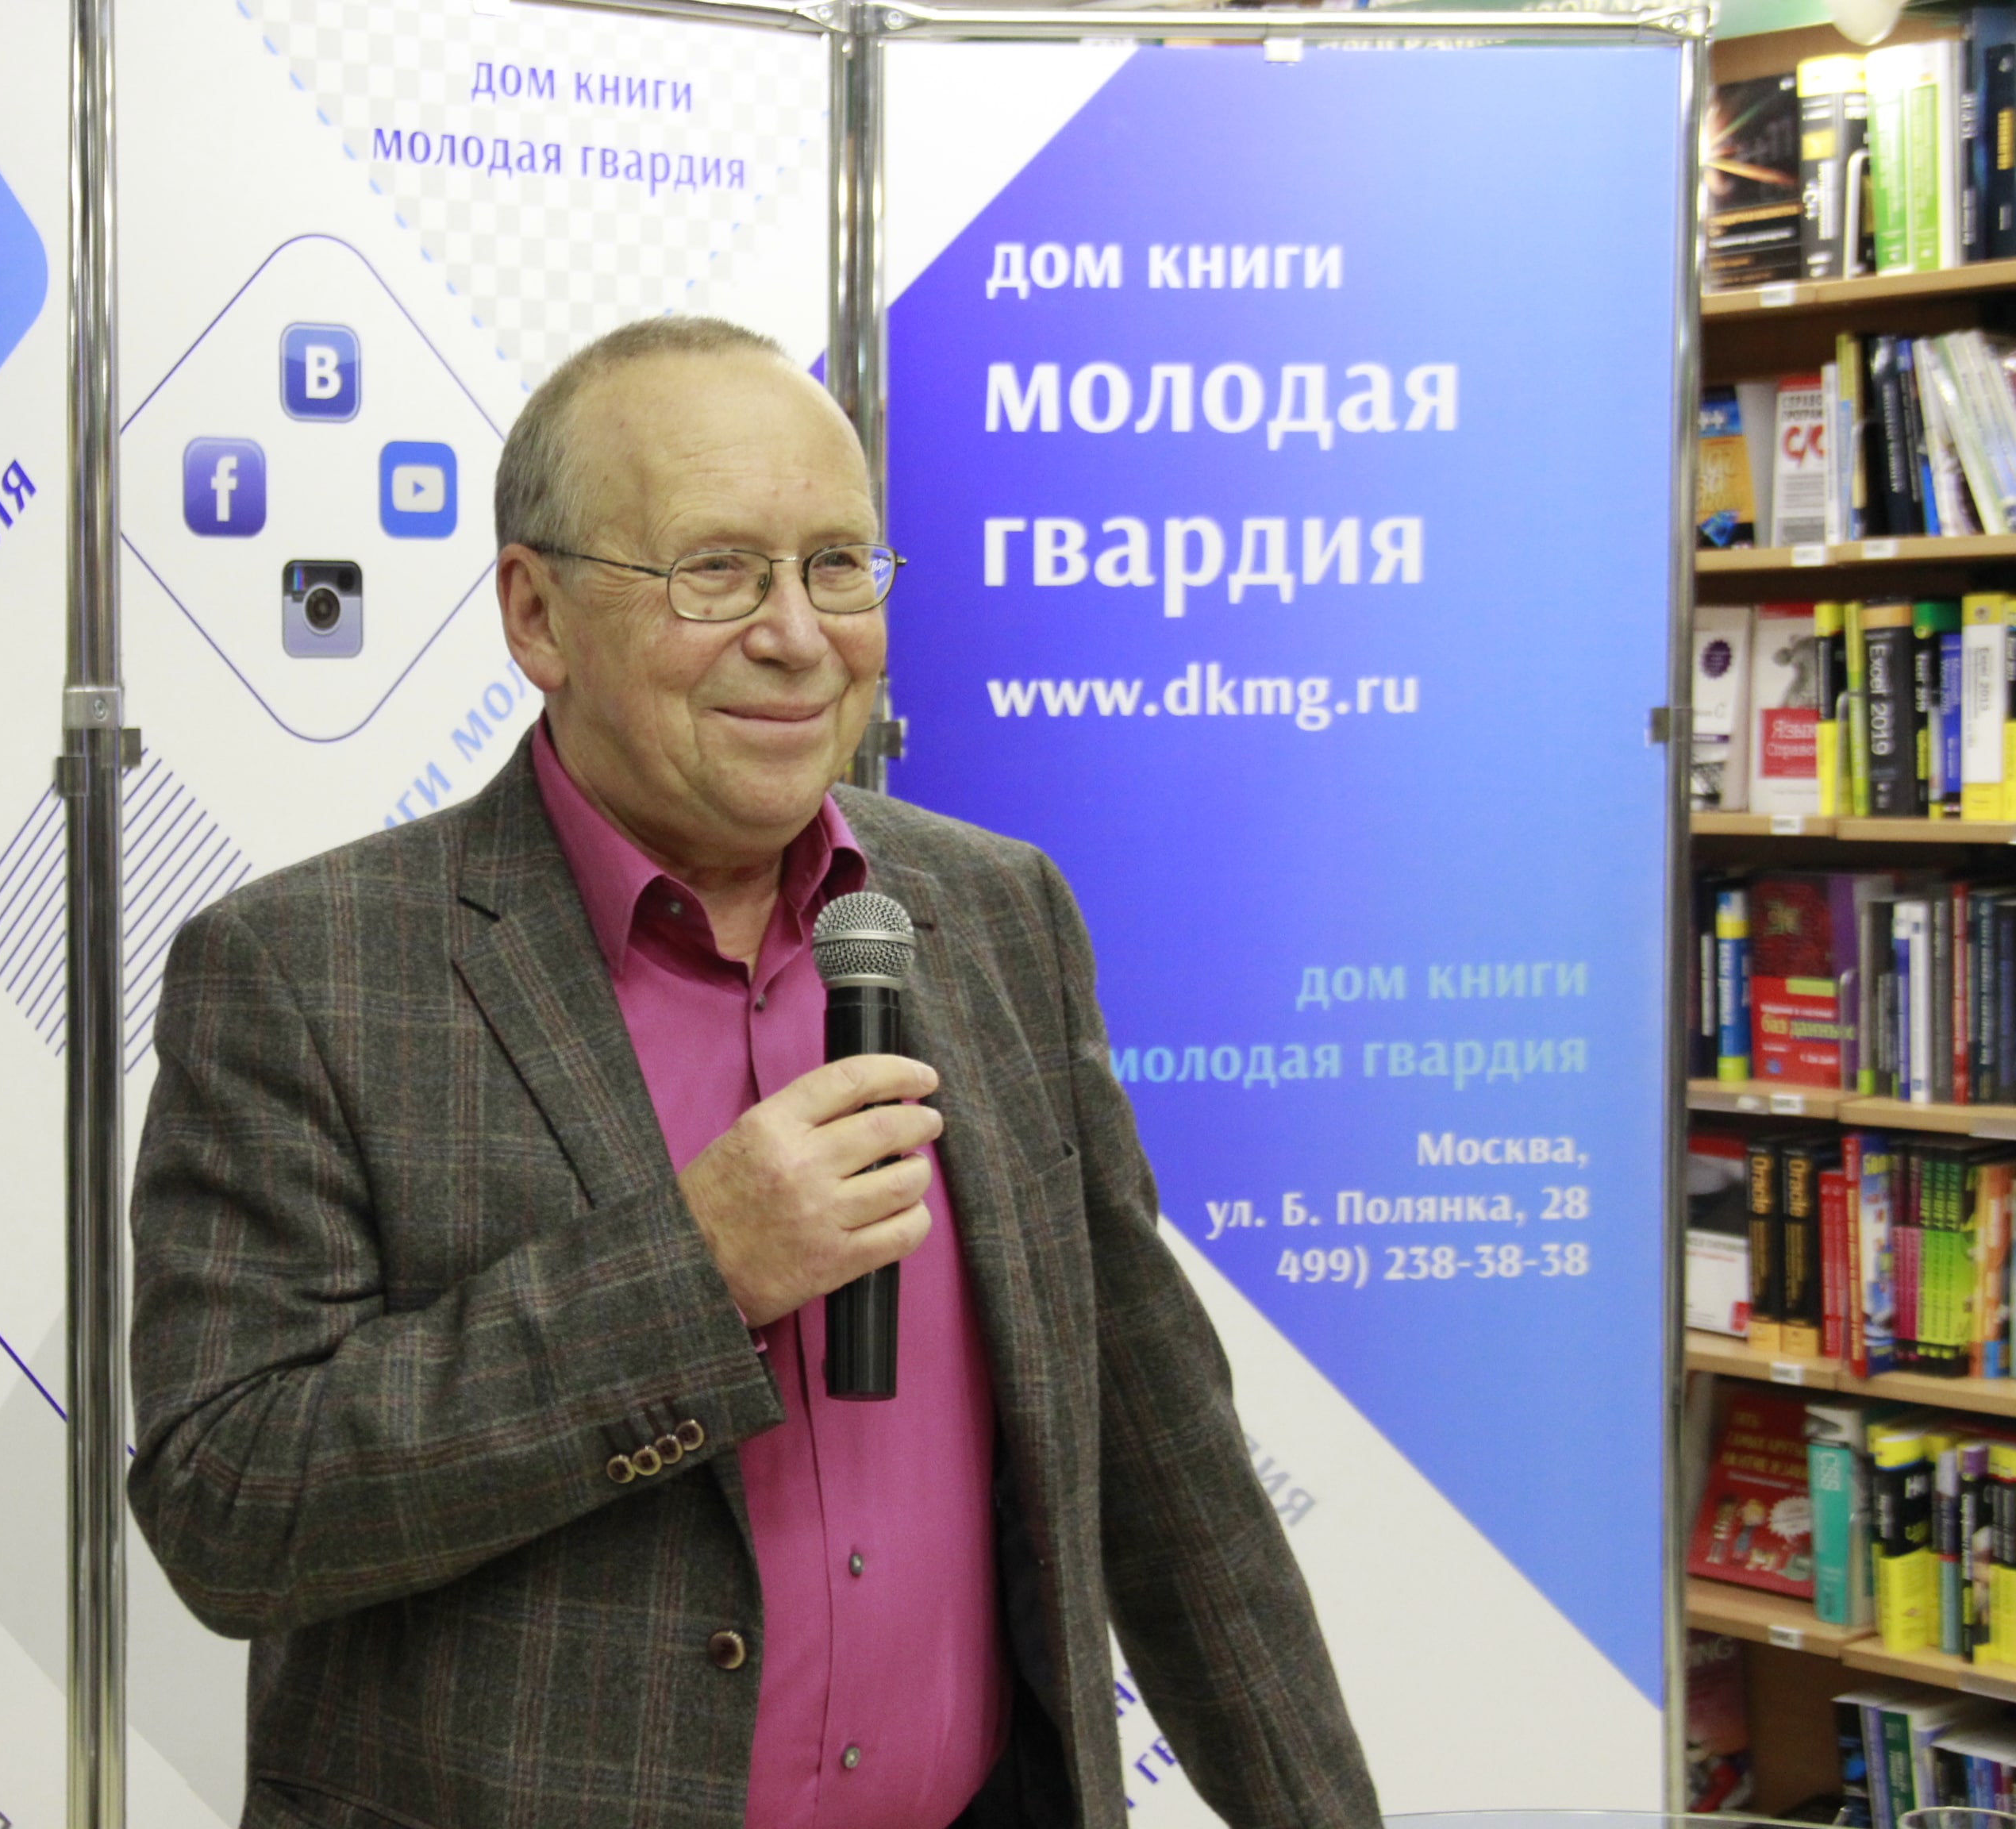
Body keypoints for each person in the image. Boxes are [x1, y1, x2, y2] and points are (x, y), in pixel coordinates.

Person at [128, 316, 1379, 1829]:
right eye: (716, 571)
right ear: (536, 615)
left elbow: (1168, 1460)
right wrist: (694, 1273)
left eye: (836, 565)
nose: (797, 635)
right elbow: (231, 1508)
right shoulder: (306, 970)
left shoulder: (995, 914)